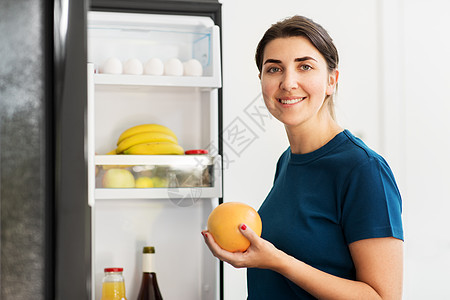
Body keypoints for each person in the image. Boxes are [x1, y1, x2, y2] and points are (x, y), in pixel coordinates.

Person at [202, 15, 403, 299]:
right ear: (261, 80)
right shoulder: (287, 161)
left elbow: (383, 297)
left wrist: (278, 261)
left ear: (331, 80)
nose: (288, 83)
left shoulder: (363, 170)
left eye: (305, 66)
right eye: (274, 69)